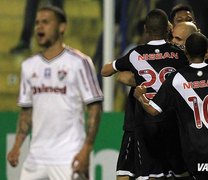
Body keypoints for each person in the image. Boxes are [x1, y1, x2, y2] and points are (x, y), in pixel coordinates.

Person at [134, 32, 208, 180]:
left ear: (185, 52)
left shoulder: (176, 79)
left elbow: (153, 110)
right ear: (207, 51)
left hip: (195, 156)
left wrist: (140, 96)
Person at [7, 5, 103, 180]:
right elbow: (26, 111)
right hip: (36, 158)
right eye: (37, 23)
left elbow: (95, 107)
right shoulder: (29, 66)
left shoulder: (79, 62)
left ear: (62, 27)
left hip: (68, 155)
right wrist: (17, 145)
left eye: (45, 22)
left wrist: (86, 149)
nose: (39, 27)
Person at [102, 9, 190, 180]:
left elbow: (106, 71)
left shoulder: (136, 54)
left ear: (145, 29)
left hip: (145, 122)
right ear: (168, 28)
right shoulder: (179, 55)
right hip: (172, 122)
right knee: (180, 172)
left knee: (150, 174)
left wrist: (138, 76)